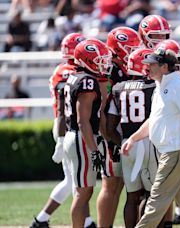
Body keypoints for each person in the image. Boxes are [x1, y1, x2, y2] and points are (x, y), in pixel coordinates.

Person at [121, 44, 180, 228]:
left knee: (156, 200)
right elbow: (153, 120)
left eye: (152, 64)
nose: (147, 67)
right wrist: (134, 138)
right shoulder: (161, 86)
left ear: (165, 67)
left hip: (176, 151)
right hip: (169, 151)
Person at [29, 33, 96, 228]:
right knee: (74, 182)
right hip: (67, 127)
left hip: (66, 127)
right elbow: (62, 107)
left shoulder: (64, 70)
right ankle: (41, 219)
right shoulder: (67, 72)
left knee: (79, 181)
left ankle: (87, 222)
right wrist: (59, 139)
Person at [94, 26, 142, 228]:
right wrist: (109, 139)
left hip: (131, 134)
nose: (133, 51)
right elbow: (101, 110)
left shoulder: (133, 65)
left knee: (132, 189)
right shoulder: (109, 71)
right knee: (111, 184)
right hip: (114, 134)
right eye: (128, 47)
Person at [63, 38, 112, 228]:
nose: (104, 64)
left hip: (78, 136)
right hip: (81, 137)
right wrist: (93, 149)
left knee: (84, 191)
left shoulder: (77, 77)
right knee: (83, 193)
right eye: (99, 60)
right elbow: (83, 121)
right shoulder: (87, 82)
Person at [107, 47, 157, 228]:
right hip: (148, 142)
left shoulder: (118, 88)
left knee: (132, 196)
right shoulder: (153, 87)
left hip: (126, 143)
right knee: (153, 196)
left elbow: (110, 126)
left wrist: (119, 143)